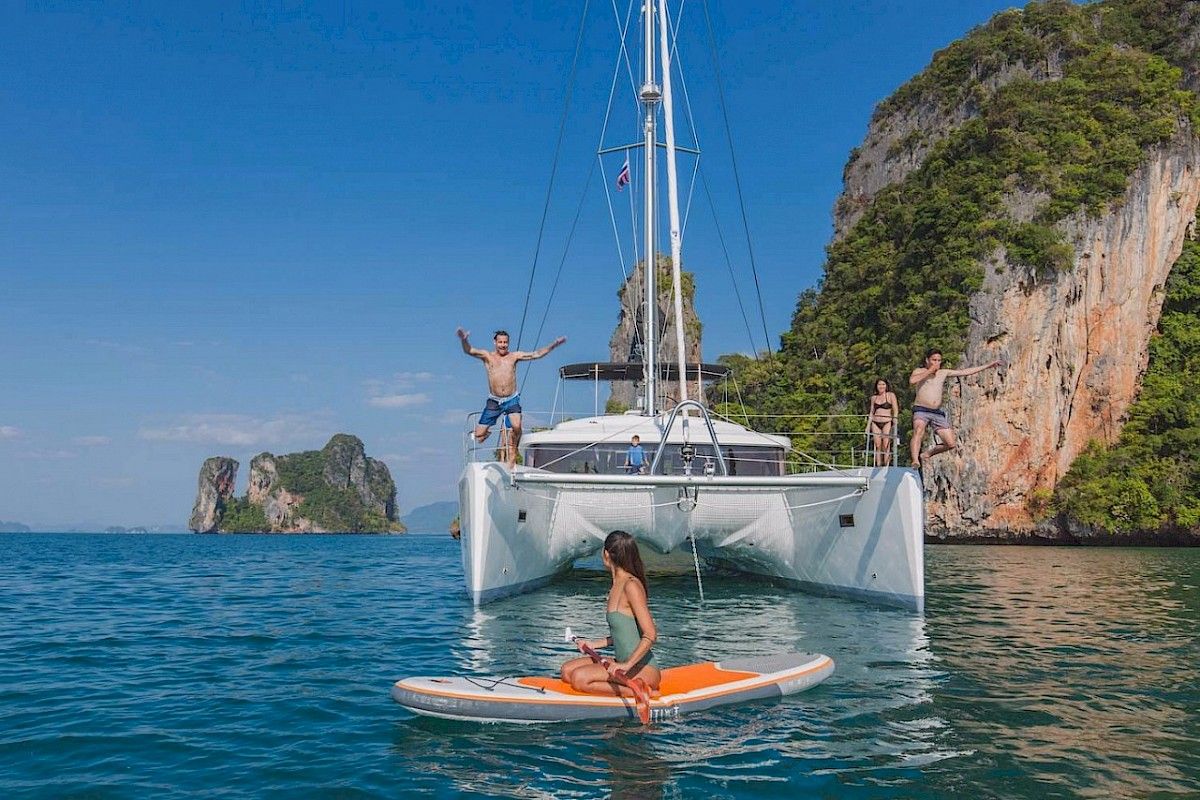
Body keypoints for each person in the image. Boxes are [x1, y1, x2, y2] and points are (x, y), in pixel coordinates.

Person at [560, 531, 661, 707]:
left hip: (643, 669)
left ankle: (641, 691)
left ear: (606, 554)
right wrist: (593, 644)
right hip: (622, 663)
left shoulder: (631, 585)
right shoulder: (616, 585)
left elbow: (651, 634)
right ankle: (623, 683)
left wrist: (627, 665)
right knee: (567, 671)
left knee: (579, 679)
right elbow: (624, 634)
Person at [457, 327, 566, 469]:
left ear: (508, 343)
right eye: (500, 342)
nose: (503, 345)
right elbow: (469, 350)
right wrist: (464, 339)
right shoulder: (487, 356)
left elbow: (536, 354)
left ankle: (513, 450)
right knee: (479, 435)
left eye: (505, 342)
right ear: (495, 343)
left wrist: (553, 345)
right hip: (494, 401)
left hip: (511, 399)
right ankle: (487, 431)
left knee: (516, 426)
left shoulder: (514, 357)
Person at [909, 348, 1001, 469]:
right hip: (921, 409)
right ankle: (915, 460)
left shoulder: (943, 373)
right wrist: (929, 371)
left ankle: (927, 453)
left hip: (936, 412)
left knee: (950, 443)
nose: (936, 363)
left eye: (939, 360)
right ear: (927, 360)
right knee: (918, 431)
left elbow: (965, 372)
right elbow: (912, 380)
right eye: (934, 360)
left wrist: (988, 365)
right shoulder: (919, 371)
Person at [867, 378, 899, 467]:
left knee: (886, 443)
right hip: (875, 422)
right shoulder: (874, 398)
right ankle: (878, 464)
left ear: (886, 385)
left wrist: (895, 419)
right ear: (876, 386)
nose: (881, 386)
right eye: (879, 384)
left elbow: (895, 409)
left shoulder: (890, 395)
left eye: (883, 384)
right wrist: (867, 425)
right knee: (877, 444)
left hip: (887, 421)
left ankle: (886, 464)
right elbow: (871, 412)